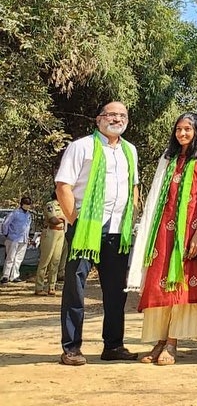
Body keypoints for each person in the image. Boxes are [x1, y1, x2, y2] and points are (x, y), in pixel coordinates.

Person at [55, 101, 141, 366]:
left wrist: (133, 214)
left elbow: (134, 185)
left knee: (116, 293)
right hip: (85, 230)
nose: (117, 119)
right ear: (99, 119)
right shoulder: (81, 147)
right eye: (112, 114)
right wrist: (76, 221)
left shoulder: (130, 150)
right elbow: (63, 186)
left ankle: (113, 345)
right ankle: (71, 348)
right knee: (75, 289)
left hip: (118, 230)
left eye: (122, 115)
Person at [127, 113, 197, 366]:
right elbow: (156, 194)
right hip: (162, 231)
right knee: (158, 282)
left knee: (181, 283)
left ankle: (173, 342)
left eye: (187, 129)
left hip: (190, 231)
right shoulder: (168, 158)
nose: (182, 134)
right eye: (179, 129)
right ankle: (159, 340)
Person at [35, 192, 66, 295]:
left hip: (61, 232)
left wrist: (62, 218)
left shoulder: (64, 205)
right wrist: (63, 218)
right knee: (46, 260)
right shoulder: (50, 205)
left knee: (56, 260)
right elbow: (53, 220)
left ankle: (51, 286)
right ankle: (39, 287)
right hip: (50, 232)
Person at [2, 196, 34, 283]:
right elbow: (6, 223)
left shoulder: (28, 215)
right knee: (10, 258)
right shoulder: (15, 213)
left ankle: (14, 275)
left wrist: (28, 238)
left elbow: (27, 227)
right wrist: (6, 233)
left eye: (28, 204)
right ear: (22, 204)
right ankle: (5, 276)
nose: (27, 206)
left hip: (23, 239)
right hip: (13, 238)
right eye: (26, 204)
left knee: (18, 259)